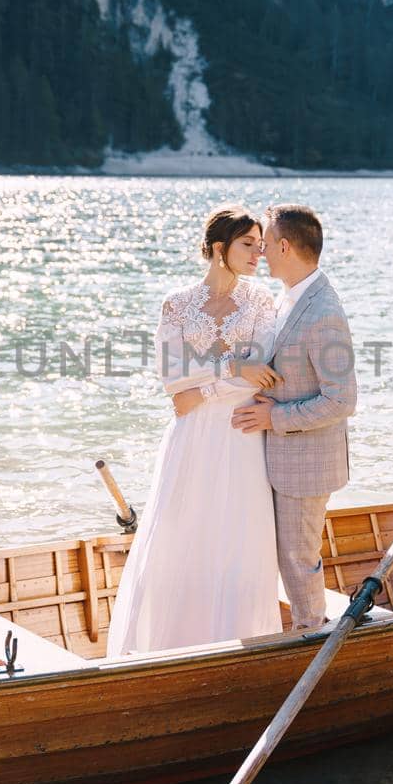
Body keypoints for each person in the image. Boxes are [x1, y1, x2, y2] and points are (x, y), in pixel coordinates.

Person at [106, 206, 286, 656]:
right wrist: (231, 367)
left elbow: (260, 376)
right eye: (248, 244)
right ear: (220, 248)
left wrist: (205, 385)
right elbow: (173, 384)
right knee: (181, 538)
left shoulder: (263, 302)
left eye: (261, 245)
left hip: (243, 439)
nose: (258, 254)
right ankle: (167, 650)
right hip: (190, 443)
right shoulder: (177, 303)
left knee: (239, 543)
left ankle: (239, 648)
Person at [231, 204, 357, 631]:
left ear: (285, 246)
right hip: (284, 458)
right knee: (288, 555)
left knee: (298, 560)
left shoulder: (323, 312)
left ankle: (310, 634)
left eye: (266, 243)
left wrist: (275, 418)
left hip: (306, 463)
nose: (261, 251)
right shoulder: (292, 296)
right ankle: (305, 629)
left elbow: (342, 400)